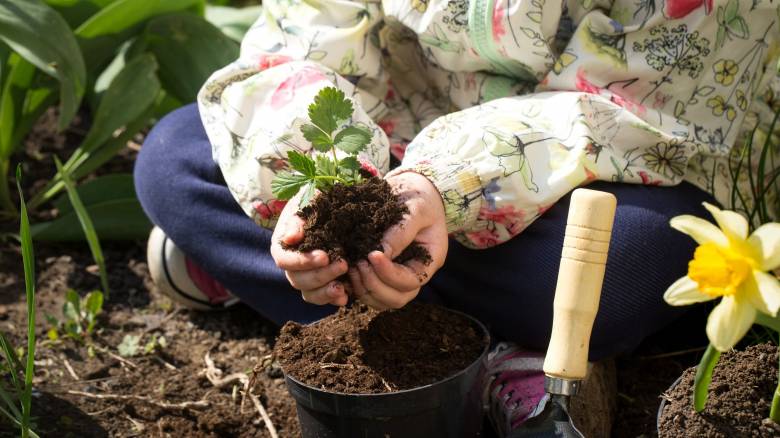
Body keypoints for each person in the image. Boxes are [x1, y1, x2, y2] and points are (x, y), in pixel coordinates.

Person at [134, 0, 780, 434]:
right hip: (395, 131)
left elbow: (636, 107)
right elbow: (307, 31)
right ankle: (504, 342)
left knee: (629, 255)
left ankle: (289, 282)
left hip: (612, 153)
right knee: (174, 160)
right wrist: (335, 189)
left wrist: (446, 185)